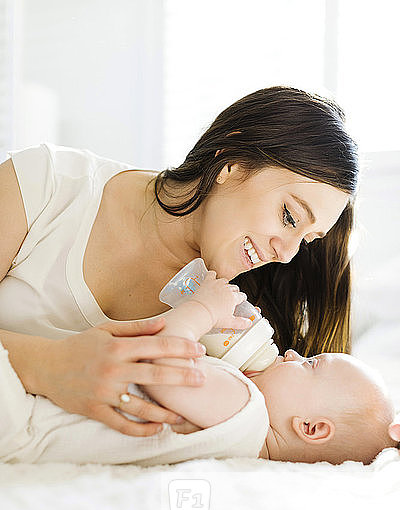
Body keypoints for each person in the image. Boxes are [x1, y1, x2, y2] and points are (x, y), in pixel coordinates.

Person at [0, 85, 377, 440]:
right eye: (289, 217)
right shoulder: (45, 184)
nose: (287, 254)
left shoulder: (228, 318)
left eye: (306, 242)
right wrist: (47, 365)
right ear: (231, 164)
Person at [0, 271, 396, 466]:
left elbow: (162, 363)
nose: (292, 353)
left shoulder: (246, 411)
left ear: (310, 428)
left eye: (311, 364)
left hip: (26, 418)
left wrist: (203, 309)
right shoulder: (238, 439)